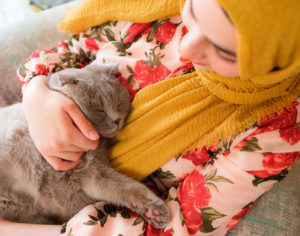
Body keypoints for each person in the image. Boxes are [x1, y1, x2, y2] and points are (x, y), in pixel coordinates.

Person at [1, 0, 300, 235]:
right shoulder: (153, 12)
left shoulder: (273, 129)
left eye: (226, 52)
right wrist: (37, 93)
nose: (186, 47)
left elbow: (176, 225)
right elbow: (72, 51)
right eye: (193, 12)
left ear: (276, 65)